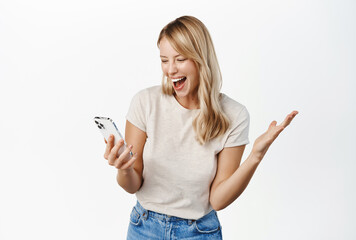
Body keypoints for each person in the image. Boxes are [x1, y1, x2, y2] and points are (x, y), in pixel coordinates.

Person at [103, 16, 298, 240]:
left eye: (180, 59)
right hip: (144, 228)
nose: (171, 70)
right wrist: (124, 169)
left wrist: (256, 155)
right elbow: (132, 184)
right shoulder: (145, 102)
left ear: (201, 59)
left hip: (199, 232)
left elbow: (218, 200)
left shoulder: (234, 115)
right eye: (164, 60)